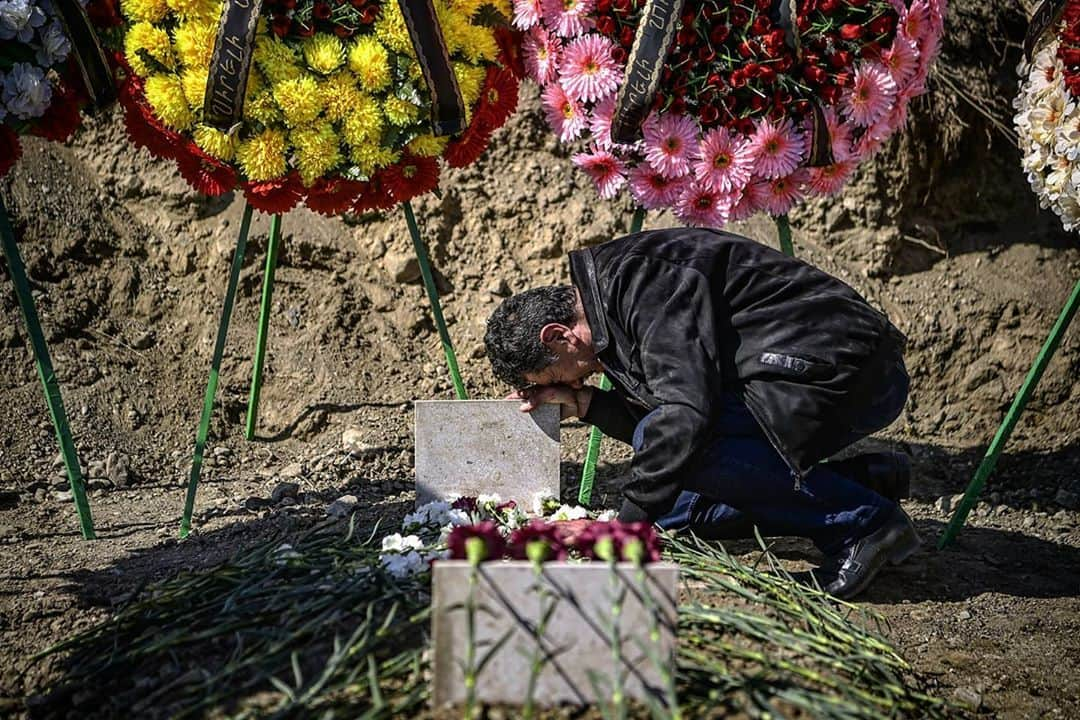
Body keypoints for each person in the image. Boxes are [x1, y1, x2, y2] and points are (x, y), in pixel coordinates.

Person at [483, 227, 920, 599]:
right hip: (796, 380)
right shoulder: (609, 306)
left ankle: (863, 523)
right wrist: (587, 405)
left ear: (559, 336)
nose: (568, 383)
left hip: (848, 373)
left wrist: (623, 528)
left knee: (676, 449)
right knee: (679, 512)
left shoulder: (642, 285)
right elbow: (675, 410)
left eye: (553, 375)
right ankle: (860, 482)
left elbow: (683, 417)